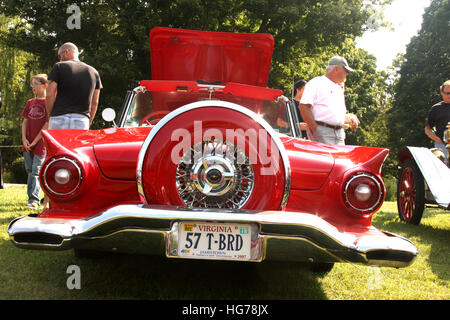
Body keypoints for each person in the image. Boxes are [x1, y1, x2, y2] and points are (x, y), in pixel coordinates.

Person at [299, 56, 359, 145]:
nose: (347, 74)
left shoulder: (338, 88)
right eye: (345, 71)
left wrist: (350, 117)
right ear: (336, 69)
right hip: (322, 131)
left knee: (339, 159)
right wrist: (316, 130)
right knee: (323, 158)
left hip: (339, 134)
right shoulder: (316, 82)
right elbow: (303, 107)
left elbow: (332, 114)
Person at [46, 42, 102, 129]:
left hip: (59, 117)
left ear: (67, 52)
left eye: (60, 56)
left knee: (57, 143)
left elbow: (49, 95)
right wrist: (89, 121)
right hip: (81, 119)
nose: (60, 59)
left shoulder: (59, 66)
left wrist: (50, 114)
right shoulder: (94, 72)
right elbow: (95, 102)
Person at [21, 74, 49, 208]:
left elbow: (47, 124)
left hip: (40, 144)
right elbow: (24, 122)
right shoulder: (30, 102)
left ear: (45, 85)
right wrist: (24, 139)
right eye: (32, 84)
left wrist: (35, 141)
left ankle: (34, 200)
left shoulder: (48, 103)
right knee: (29, 170)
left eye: (35, 84)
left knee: (36, 171)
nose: (33, 87)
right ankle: (31, 197)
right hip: (28, 143)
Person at [425, 80, 450, 158]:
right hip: (442, 146)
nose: (449, 95)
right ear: (442, 93)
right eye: (447, 93)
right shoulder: (436, 108)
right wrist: (437, 139)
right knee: (444, 168)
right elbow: (427, 129)